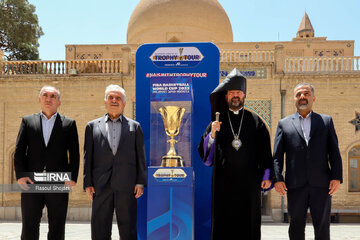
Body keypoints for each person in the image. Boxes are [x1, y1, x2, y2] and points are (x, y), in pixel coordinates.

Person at [198, 68, 273, 240]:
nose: (235, 96)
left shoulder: (256, 121)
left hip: (249, 185)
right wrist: (212, 135)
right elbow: (206, 157)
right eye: (232, 92)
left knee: (248, 225)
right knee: (224, 227)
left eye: (239, 92)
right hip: (224, 184)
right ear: (226, 96)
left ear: (244, 95)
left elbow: (265, 152)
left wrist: (267, 175)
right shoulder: (217, 122)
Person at [273, 83, 343, 240]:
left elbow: (334, 152)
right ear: (294, 99)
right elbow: (277, 155)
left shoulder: (325, 121)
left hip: (322, 184)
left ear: (313, 98)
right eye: (298, 94)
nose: (302, 97)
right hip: (295, 184)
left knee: (322, 225)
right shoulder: (284, 124)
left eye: (306, 94)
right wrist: (278, 179)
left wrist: (336, 176)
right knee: (296, 225)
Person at [14, 86, 80, 240]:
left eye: (53, 96)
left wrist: (72, 177)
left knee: (57, 225)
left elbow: (75, 153)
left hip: (58, 181)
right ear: (39, 99)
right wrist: (21, 176)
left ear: (59, 102)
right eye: (45, 95)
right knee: (29, 224)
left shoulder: (69, 124)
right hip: (32, 180)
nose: (48, 99)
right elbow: (19, 150)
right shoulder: (27, 121)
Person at [83, 84, 146, 240]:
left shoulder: (134, 126)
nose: (114, 100)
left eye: (118, 98)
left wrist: (140, 182)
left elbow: (140, 156)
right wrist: (88, 183)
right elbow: (87, 156)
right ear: (105, 101)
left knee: (128, 228)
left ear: (124, 103)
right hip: (100, 185)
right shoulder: (92, 126)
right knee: (100, 228)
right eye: (110, 97)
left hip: (127, 185)